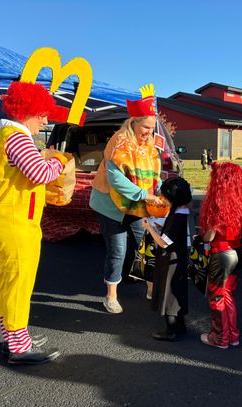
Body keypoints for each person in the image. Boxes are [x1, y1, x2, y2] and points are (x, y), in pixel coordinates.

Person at [0, 81, 67, 365]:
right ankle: (19, 348)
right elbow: (39, 173)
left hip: (8, 219)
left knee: (9, 282)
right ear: (27, 111)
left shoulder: (7, 135)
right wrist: (59, 163)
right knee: (19, 284)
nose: (45, 119)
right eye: (42, 113)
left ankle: (15, 338)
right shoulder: (16, 137)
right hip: (14, 222)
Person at [90, 84, 163, 314]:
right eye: (146, 127)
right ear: (133, 122)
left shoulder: (149, 145)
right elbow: (116, 180)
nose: (149, 132)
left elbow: (154, 174)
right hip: (110, 206)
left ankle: (151, 289)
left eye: (152, 128)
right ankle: (110, 296)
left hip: (138, 206)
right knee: (118, 250)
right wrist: (145, 194)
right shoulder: (118, 142)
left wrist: (158, 189)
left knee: (145, 246)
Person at [199, 162, 242, 349]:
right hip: (236, 252)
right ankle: (232, 335)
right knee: (228, 295)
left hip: (221, 254)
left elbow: (210, 234)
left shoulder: (219, 203)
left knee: (217, 297)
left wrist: (204, 237)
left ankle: (220, 337)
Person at [143, 177, 192, 341]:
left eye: (165, 196)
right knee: (177, 291)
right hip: (179, 258)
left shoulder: (177, 216)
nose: (162, 199)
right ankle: (180, 325)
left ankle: (171, 330)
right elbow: (170, 235)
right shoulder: (182, 213)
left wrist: (150, 228)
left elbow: (164, 243)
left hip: (170, 260)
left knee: (169, 293)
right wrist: (158, 228)